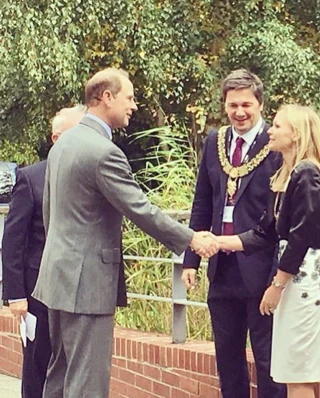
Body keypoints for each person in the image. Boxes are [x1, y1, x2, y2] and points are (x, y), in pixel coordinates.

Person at [31, 68, 217, 398]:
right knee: (87, 382)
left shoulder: (65, 143)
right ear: (107, 97)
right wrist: (190, 238)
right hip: (86, 284)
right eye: (129, 98)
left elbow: (50, 212)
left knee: (59, 375)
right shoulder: (104, 153)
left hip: (57, 277)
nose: (133, 105)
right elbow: (140, 209)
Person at [207, 104, 320, 398]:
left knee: (297, 371)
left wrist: (277, 285)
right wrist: (218, 242)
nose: (270, 130)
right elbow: (266, 232)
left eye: (277, 126)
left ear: (296, 134)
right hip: (294, 280)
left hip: (302, 282)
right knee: (291, 369)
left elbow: (300, 239)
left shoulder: (307, 174)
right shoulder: (288, 173)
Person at [180, 69, 286, 398]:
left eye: (246, 105)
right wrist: (191, 260)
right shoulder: (216, 140)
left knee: (268, 358)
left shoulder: (277, 142)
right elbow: (203, 202)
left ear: (260, 105)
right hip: (222, 267)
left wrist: (276, 278)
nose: (239, 112)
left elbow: (278, 217)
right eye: (232, 105)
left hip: (260, 267)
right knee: (227, 358)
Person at [1, 105, 85, 398]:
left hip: (78, 291)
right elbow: (13, 240)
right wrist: (15, 294)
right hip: (37, 295)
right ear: (55, 138)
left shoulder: (88, 175)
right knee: (39, 366)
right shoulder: (31, 178)